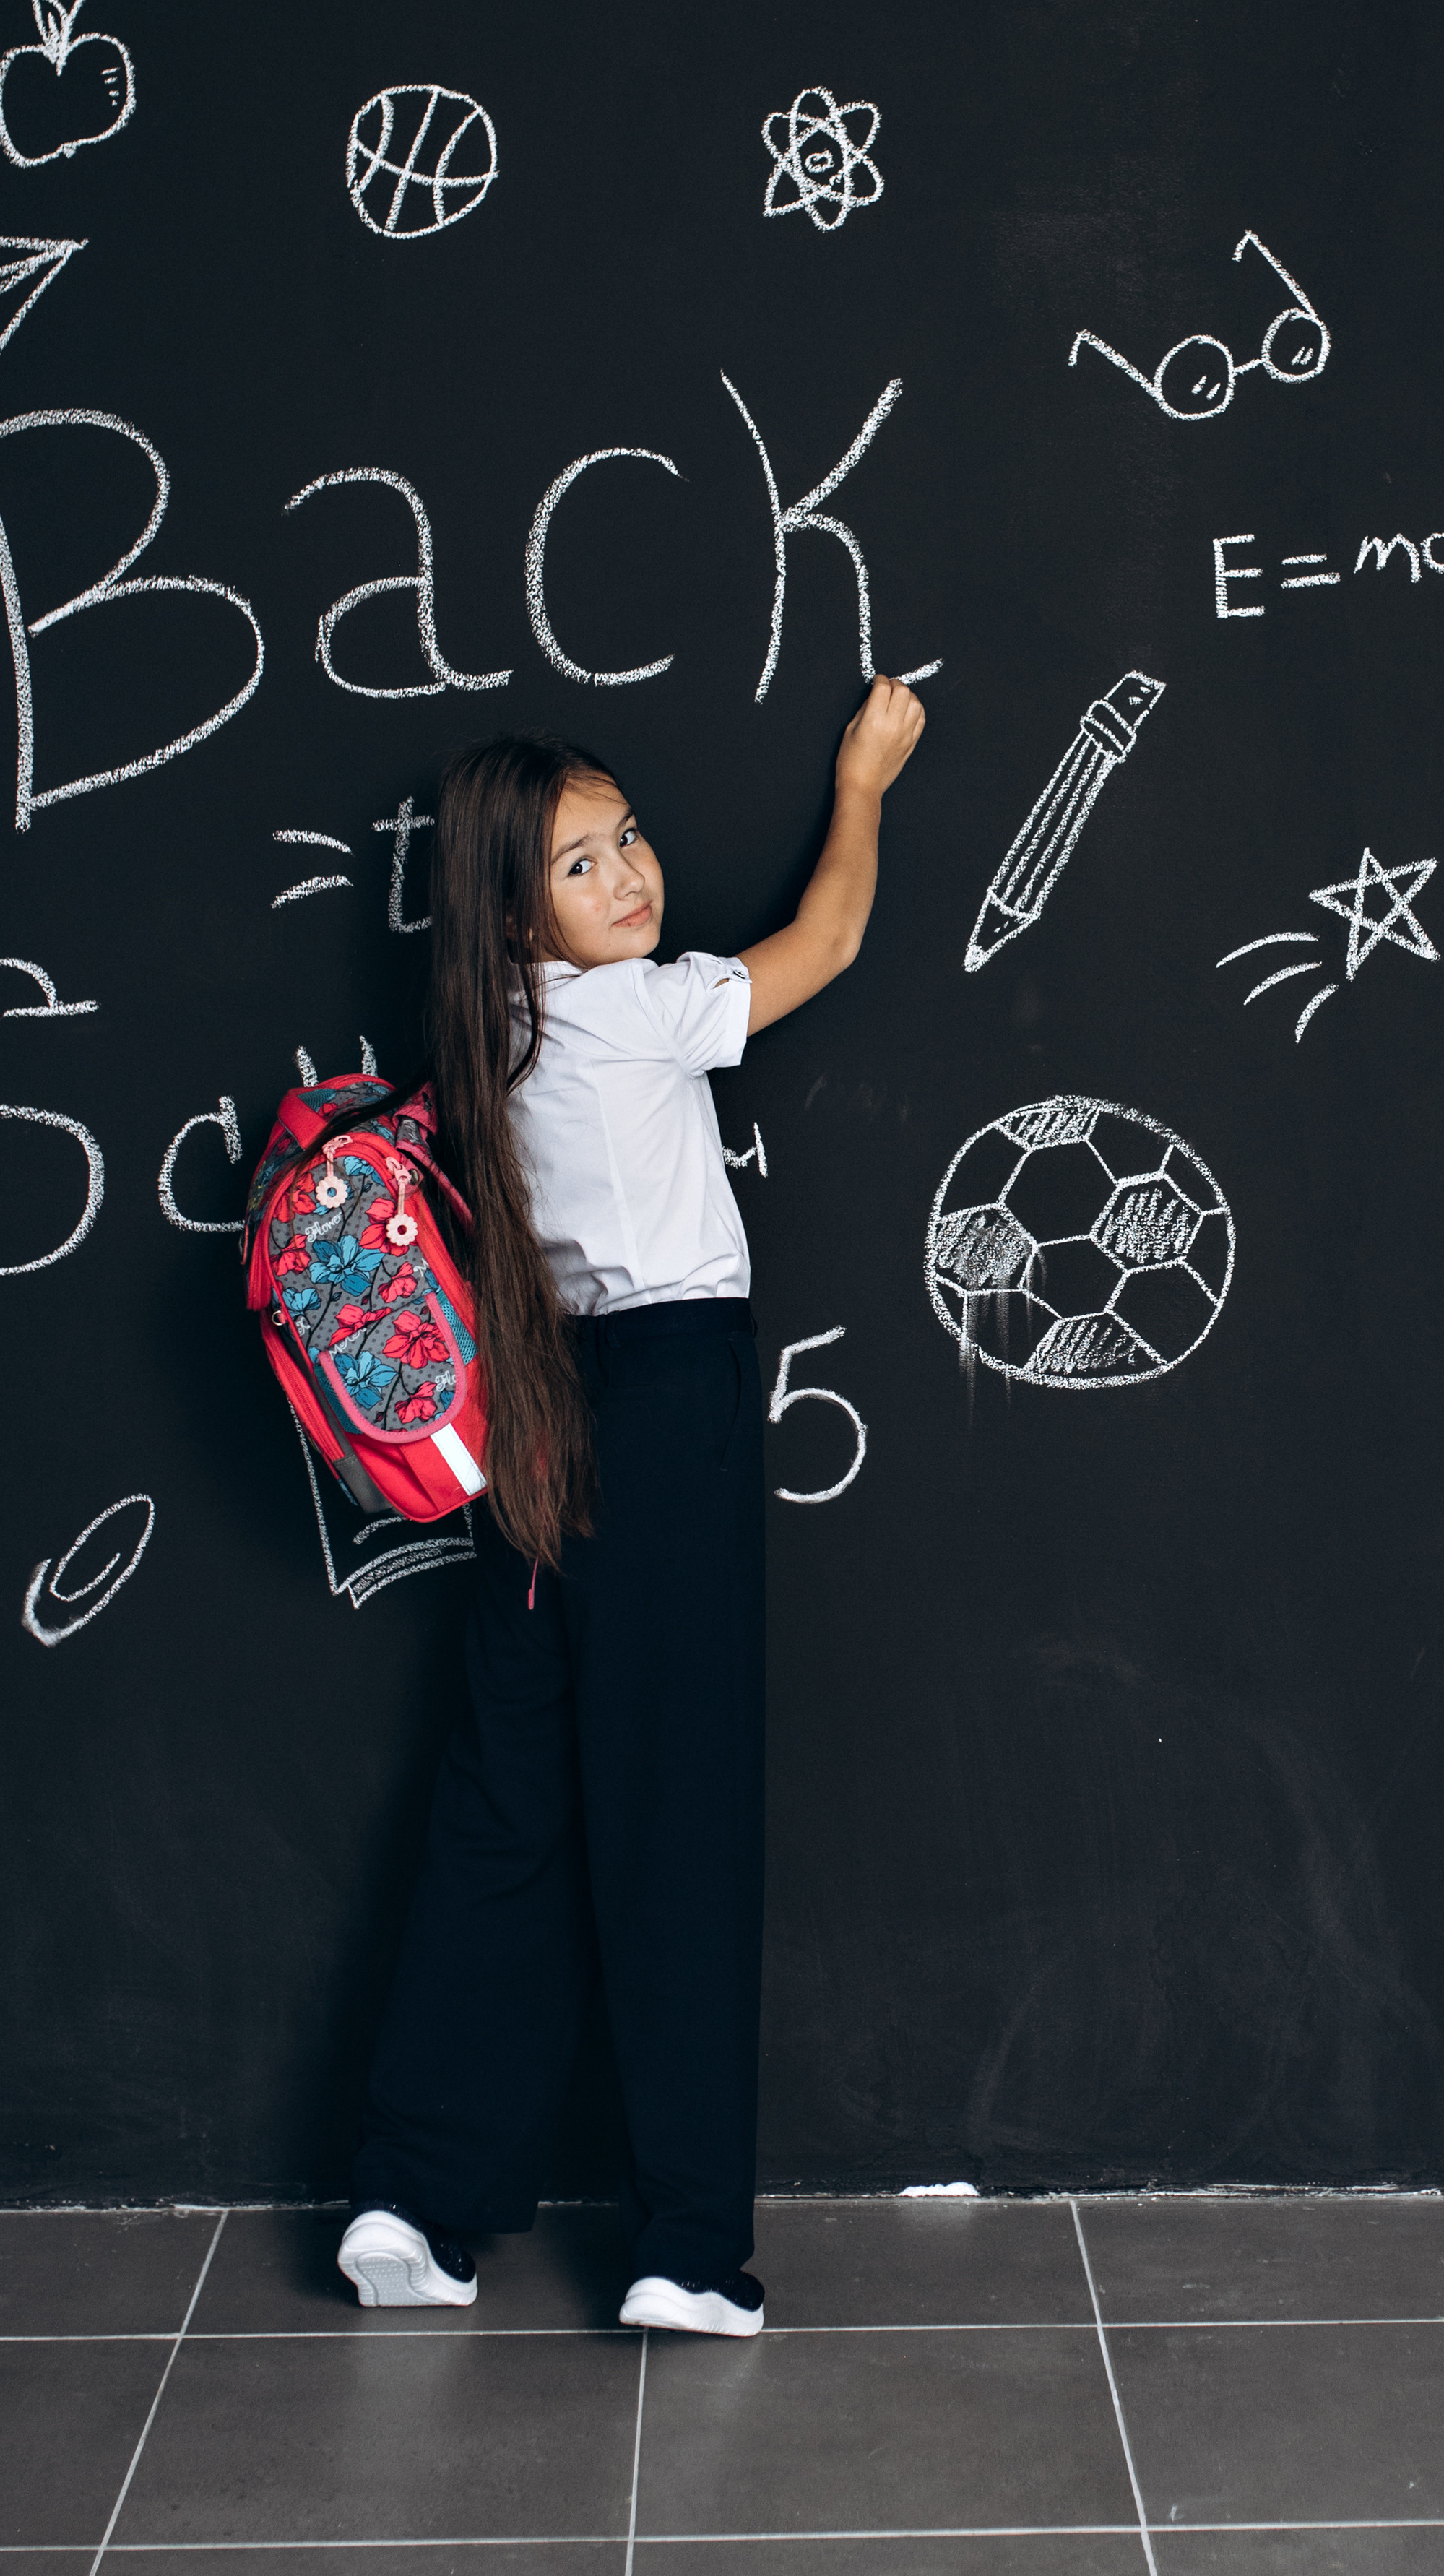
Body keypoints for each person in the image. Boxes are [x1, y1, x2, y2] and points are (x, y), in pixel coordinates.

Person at [334, 677, 925, 2337]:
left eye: (628, 841)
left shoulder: (481, 1045)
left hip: (532, 1413)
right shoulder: (631, 1009)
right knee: (676, 1809)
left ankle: (412, 2197)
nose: (631, 877)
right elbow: (823, 942)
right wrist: (863, 779)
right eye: (582, 865)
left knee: (504, 1805)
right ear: (513, 908)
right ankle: (680, 2249)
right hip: (660, 1409)